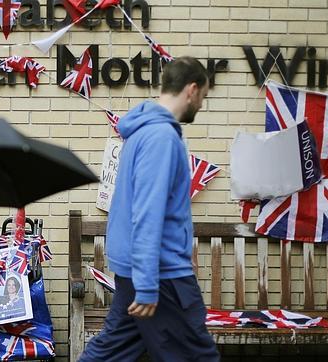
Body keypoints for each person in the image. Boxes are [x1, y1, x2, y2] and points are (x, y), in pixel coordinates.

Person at [80, 57, 220, 362]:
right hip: (161, 274)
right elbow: (146, 212)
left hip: (139, 269)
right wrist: (147, 285)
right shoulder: (161, 137)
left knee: (109, 354)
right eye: (204, 97)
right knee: (197, 356)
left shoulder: (141, 132)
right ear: (192, 90)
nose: (202, 105)